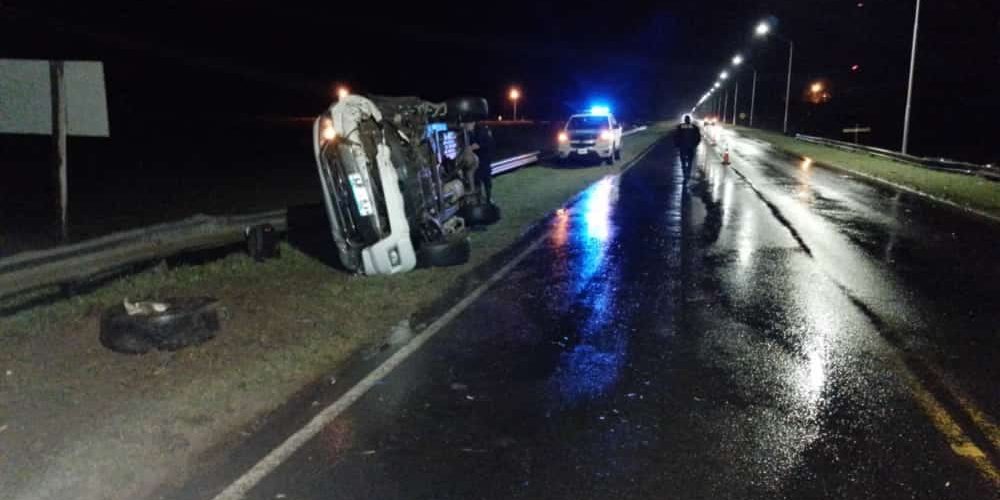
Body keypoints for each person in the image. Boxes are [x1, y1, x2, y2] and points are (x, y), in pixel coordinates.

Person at [464, 121, 496, 203]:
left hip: (485, 158)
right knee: (477, 179)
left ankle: (489, 198)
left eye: (467, 124)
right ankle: (479, 197)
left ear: (473, 123)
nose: (466, 126)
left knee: (486, 180)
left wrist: (475, 146)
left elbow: (486, 143)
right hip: (477, 160)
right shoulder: (469, 133)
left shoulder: (481, 131)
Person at [674, 115, 702, 179]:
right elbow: (698, 137)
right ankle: (688, 173)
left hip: (682, 147)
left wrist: (677, 145)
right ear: (689, 120)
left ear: (684, 120)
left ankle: (684, 173)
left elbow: (676, 136)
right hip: (691, 147)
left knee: (683, 161)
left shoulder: (680, 127)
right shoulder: (694, 127)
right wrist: (695, 144)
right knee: (690, 161)